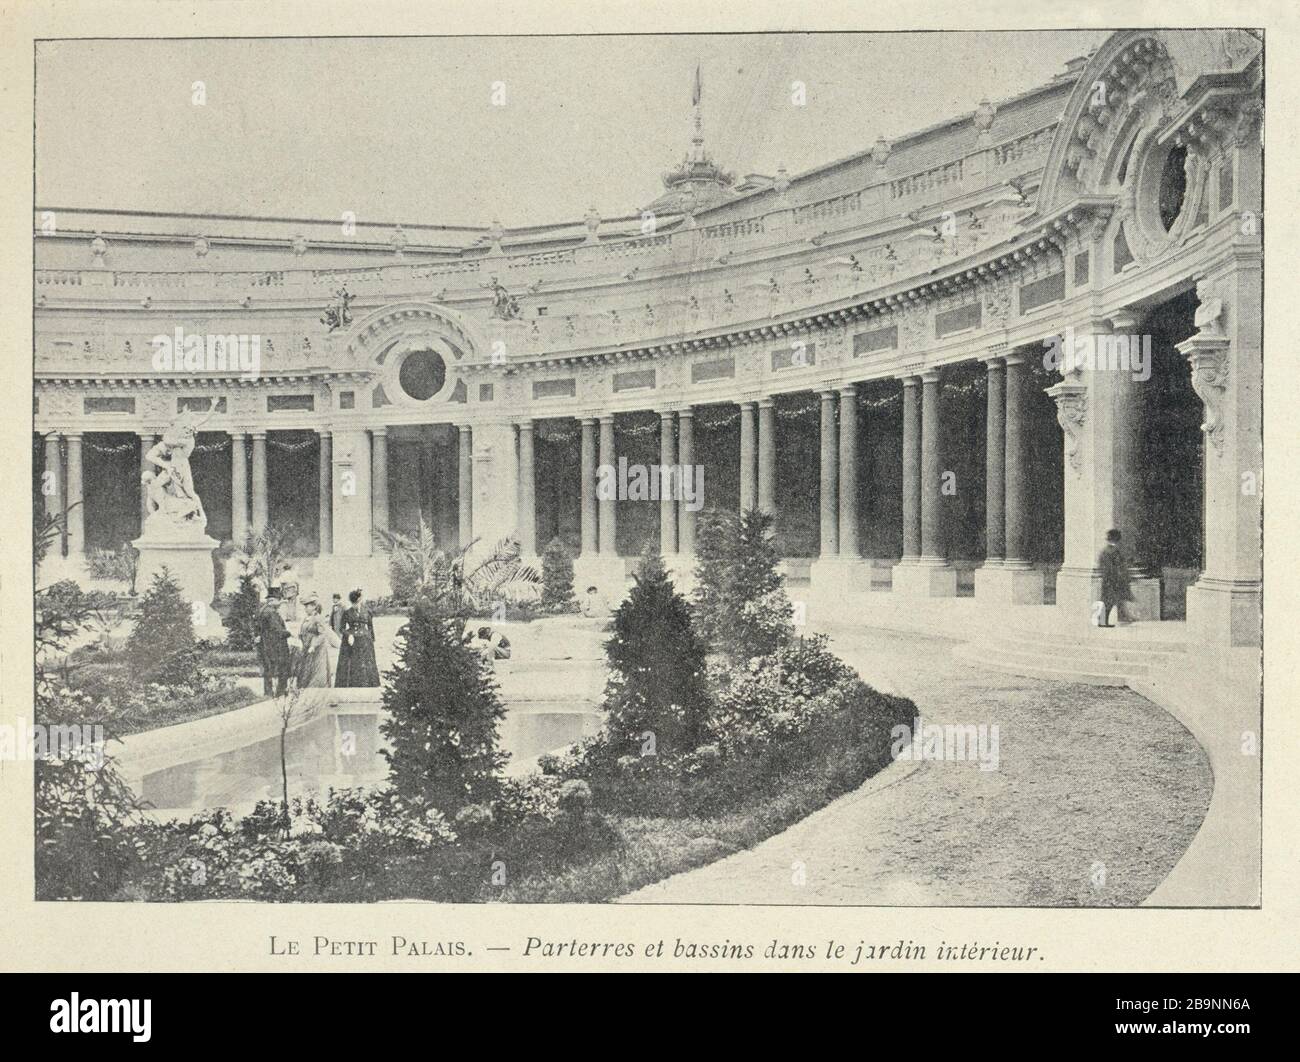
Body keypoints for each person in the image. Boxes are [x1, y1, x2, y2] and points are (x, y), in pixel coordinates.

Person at [335, 588, 380, 687]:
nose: (356, 604)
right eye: (354, 603)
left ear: (360, 600)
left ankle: (368, 684)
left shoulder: (367, 612)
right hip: (351, 642)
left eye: (357, 602)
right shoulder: (347, 613)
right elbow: (341, 629)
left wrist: (372, 640)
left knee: (366, 663)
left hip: (365, 641)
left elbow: (370, 627)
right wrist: (349, 635)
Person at [256, 589, 291, 696]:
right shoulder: (271, 612)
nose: (280, 603)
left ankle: (268, 692)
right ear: (273, 600)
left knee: (268, 669)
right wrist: (289, 633)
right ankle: (280, 692)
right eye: (279, 600)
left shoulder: (263, 610)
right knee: (282, 668)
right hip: (275, 645)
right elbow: (277, 630)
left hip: (266, 644)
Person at [295, 593, 334, 688]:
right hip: (307, 648)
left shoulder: (318, 618)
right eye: (305, 607)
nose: (305, 609)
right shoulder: (306, 618)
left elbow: (322, 634)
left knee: (317, 674)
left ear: (313, 607)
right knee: (306, 671)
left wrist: (313, 645)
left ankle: (317, 694)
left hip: (317, 650)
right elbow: (304, 631)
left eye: (307, 606)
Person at [1098, 528, 1132, 628]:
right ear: (1116, 539)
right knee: (1109, 601)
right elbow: (1115, 567)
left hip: (1107, 580)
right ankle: (1103, 621)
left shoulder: (1105, 551)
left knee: (1109, 600)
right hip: (1112, 580)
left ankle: (1103, 620)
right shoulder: (1113, 551)